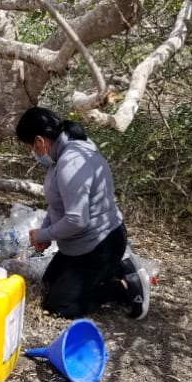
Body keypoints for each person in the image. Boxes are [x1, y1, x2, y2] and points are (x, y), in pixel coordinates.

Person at [15, 106, 151, 320]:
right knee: (48, 283)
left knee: (58, 306)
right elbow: (58, 204)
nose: (31, 153)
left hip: (100, 245)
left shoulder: (71, 162)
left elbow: (77, 219)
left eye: (29, 147)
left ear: (40, 141)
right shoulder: (62, 152)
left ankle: (124, 286)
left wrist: (44, 234)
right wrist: (45, 232)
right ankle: (116, 269)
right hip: (80, 244)